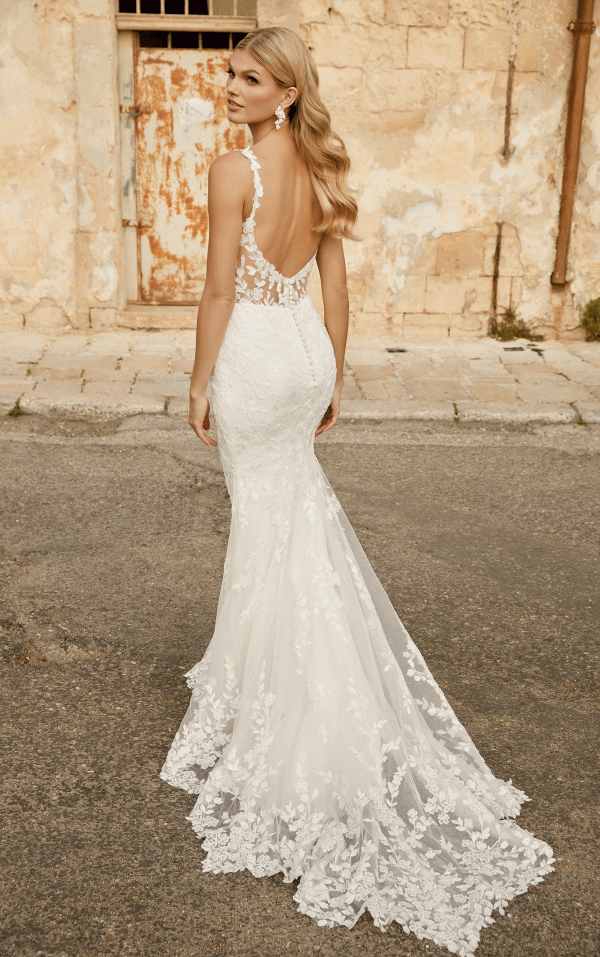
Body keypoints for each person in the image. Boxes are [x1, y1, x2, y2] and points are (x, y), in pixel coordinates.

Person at [160, 27, 554, 957]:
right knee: (292, 521)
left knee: (264, 528)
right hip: (301, 354)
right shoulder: (324, 162)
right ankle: (260, 686)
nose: (230, 87)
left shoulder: (234, 172)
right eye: (230, 73)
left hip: (255, 356)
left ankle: (273, 713)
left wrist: (196, 381)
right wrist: (336, 374)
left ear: (286, 92)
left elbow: (218, 291)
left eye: (248, 78)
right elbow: (335, 281)